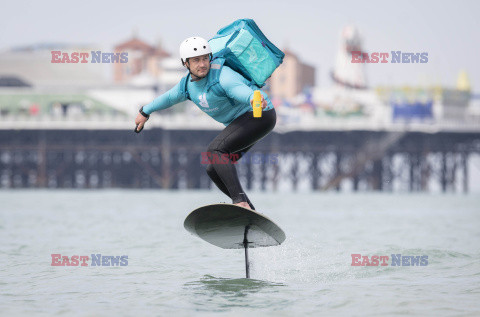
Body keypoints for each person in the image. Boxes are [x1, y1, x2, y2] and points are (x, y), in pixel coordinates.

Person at [134, 36, 276, 210]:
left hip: (259, 115)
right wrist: (144, 111)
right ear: (185, 64)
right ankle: (250, 212)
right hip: (245, 120)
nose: (202, 64)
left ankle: (240, 203)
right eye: (196, 60)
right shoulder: (187, 85)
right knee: (213, 168)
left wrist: (253, 99)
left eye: (204, 58)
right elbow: (169, 98)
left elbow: (239, 89)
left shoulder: (222, 75)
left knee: (216, 150)